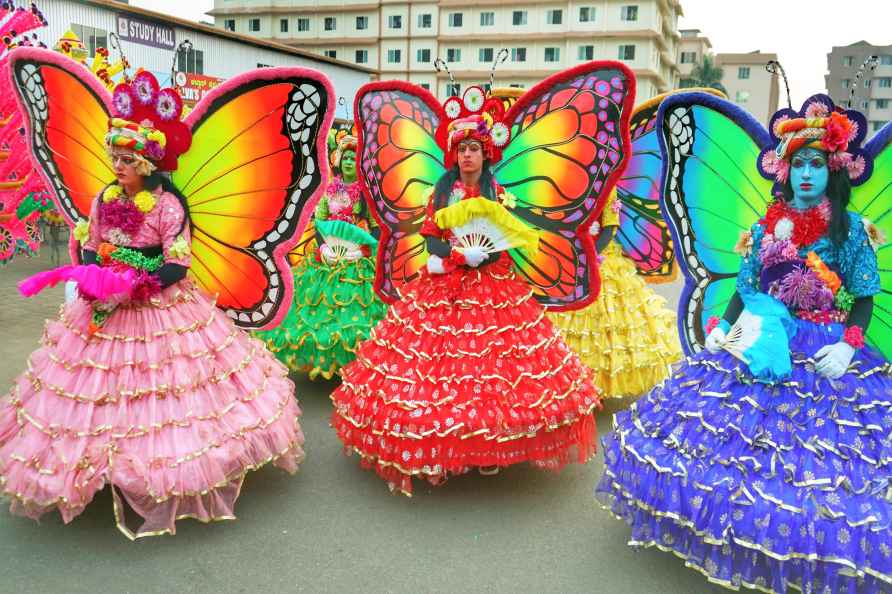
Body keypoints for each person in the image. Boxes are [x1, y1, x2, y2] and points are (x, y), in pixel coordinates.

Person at [597, 95, 890, 592]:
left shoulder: (850, 233)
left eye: (817, 164)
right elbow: (746, 287)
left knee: (816, 458)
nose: (806, 173)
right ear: (785, 169)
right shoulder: (762, 228)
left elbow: (863, 295)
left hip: (824, 345)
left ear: (833, 171)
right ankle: (729, 529)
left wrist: (848, 343)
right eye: (798, 163)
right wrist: (721, 326)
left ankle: (803, 544)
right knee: (734, 444)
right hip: (757, 335)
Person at [0, 69, 306, 539]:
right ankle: (101, 466)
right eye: (115, 158)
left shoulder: (167, 205)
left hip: (158, 300)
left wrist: (141, 284)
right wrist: (90, 276)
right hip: (105, 302)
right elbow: (92, 241)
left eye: (127, 159)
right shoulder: (103, 198)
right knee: (93, 392)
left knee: (166, 394)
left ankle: (160, 473)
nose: (118, 165)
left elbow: (177, 263)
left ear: (146, 164)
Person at [330, 106, 602, 495]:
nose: (468, 155)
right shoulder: (439, 193)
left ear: (485, 153)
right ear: (454, 155)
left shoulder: (499, 194)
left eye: (474, 148)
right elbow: (431, 233)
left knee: (490, 371)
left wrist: (482, 255)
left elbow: (502, 238)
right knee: (436, 368)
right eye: (462, 149)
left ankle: (488, 445)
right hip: (444, 281)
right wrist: (456, 256)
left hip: (493, 283)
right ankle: (444, 443)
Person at [256, 131, 386, 380]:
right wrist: (325, 247)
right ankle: (325, 360)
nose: (349, 162)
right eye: (346, 157)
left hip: (358, 258)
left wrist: (365, 248)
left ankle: (355, 365)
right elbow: (321, 222)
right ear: (339, 160)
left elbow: (374, 225)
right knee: (317, 309)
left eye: (354, 157)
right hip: (328, 255)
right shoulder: (329, 190)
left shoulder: (367, 191)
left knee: (355, 311)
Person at [548, 188, 681, 398]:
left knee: (609, 320)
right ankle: (571, 381)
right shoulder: (572, 176)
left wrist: (590, 256)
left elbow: (610, 227)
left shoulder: (608, 185)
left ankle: (603, 383)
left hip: (602, 255)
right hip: (571, 253)